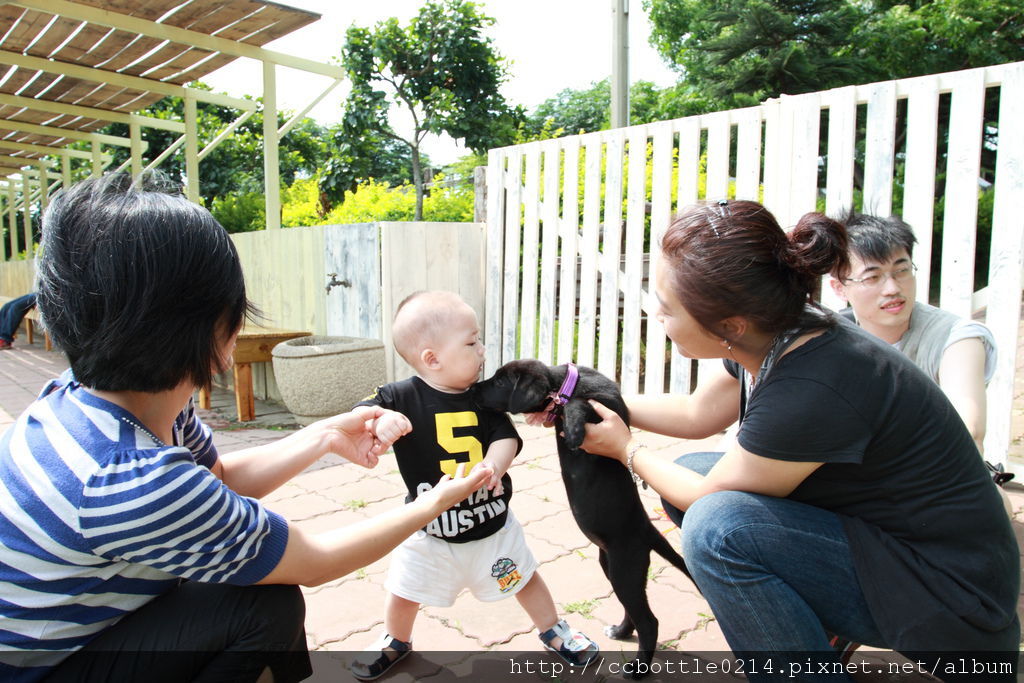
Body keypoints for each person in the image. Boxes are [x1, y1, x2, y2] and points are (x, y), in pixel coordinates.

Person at [0, 174, 489, 683]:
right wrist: (432, 504)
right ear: (208, 325)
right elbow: (315, 562)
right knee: (264, 608)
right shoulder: (131, 479)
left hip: (75, 632)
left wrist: (322, 436)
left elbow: (217, 480)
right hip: (35, 670)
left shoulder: (105, 397)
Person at [573, 200, 1018, 681]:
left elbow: (706, 498)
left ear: (729, 326)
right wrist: (583, 396)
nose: (658, 315)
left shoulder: (814, 382)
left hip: (952, 597)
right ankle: (810, 630)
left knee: (717, 529)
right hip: (890, 540)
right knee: (695, 473)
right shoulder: (777, 327)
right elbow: (698, 413)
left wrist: (626, 449)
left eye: (666, 307)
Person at [349, 290, 598, 681]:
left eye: (479, 340)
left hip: (492, 525)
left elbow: (506, 438)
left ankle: (553, 630)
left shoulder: (484, 400)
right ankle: (394, 640)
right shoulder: (399, 397)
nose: (482, 350)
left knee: (525, 577)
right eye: (471, 342)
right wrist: (380, 420)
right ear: (432, 358)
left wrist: (494, 466)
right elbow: (359, 413)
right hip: (429, 529)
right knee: (404, 588)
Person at [828, 212, 999, 464]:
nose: (892, 288)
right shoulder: (827, 340)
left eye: (901, 270)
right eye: (873, 277)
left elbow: (968, 431)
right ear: (840, 288)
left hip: (935, 478)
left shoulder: (957, 338)